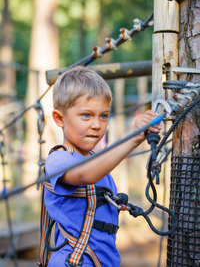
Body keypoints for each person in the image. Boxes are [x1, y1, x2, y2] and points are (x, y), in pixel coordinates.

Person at [43, 66, 162, 267]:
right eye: (87, 115)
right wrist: (133, 139)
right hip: (73, 262)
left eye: (104, 116)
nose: (97, 124)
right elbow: (83, 175)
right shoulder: (58, 158)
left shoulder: (96, 161)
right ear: (59, 118)